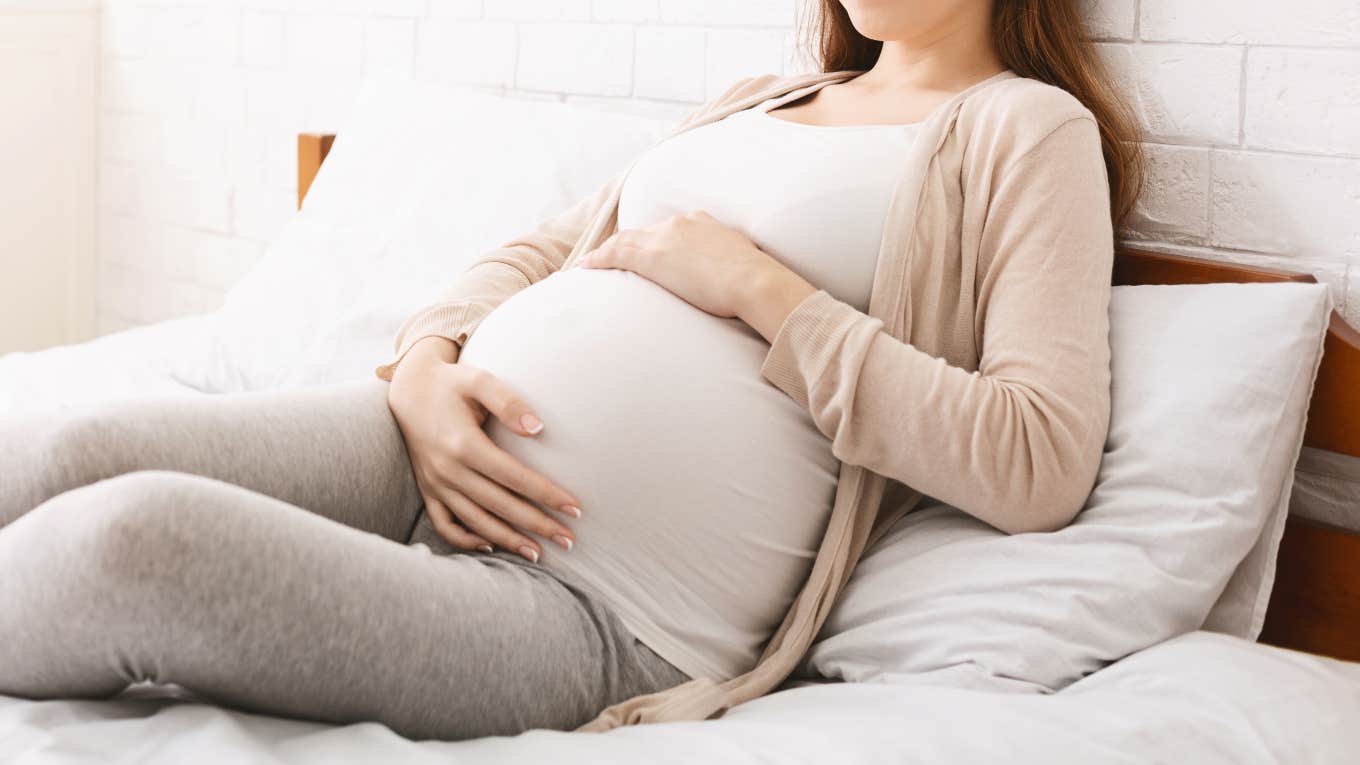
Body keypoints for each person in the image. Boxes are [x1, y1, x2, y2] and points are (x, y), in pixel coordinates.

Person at [0, 0, 1141, 742]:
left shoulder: (1025, 131)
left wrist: (759, 288)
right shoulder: (759, 104)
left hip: (590, 599)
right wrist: (424, 369)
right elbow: (541, 251)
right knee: (65, 448)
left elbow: (1035, 457)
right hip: (418, 448)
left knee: (131, 541)